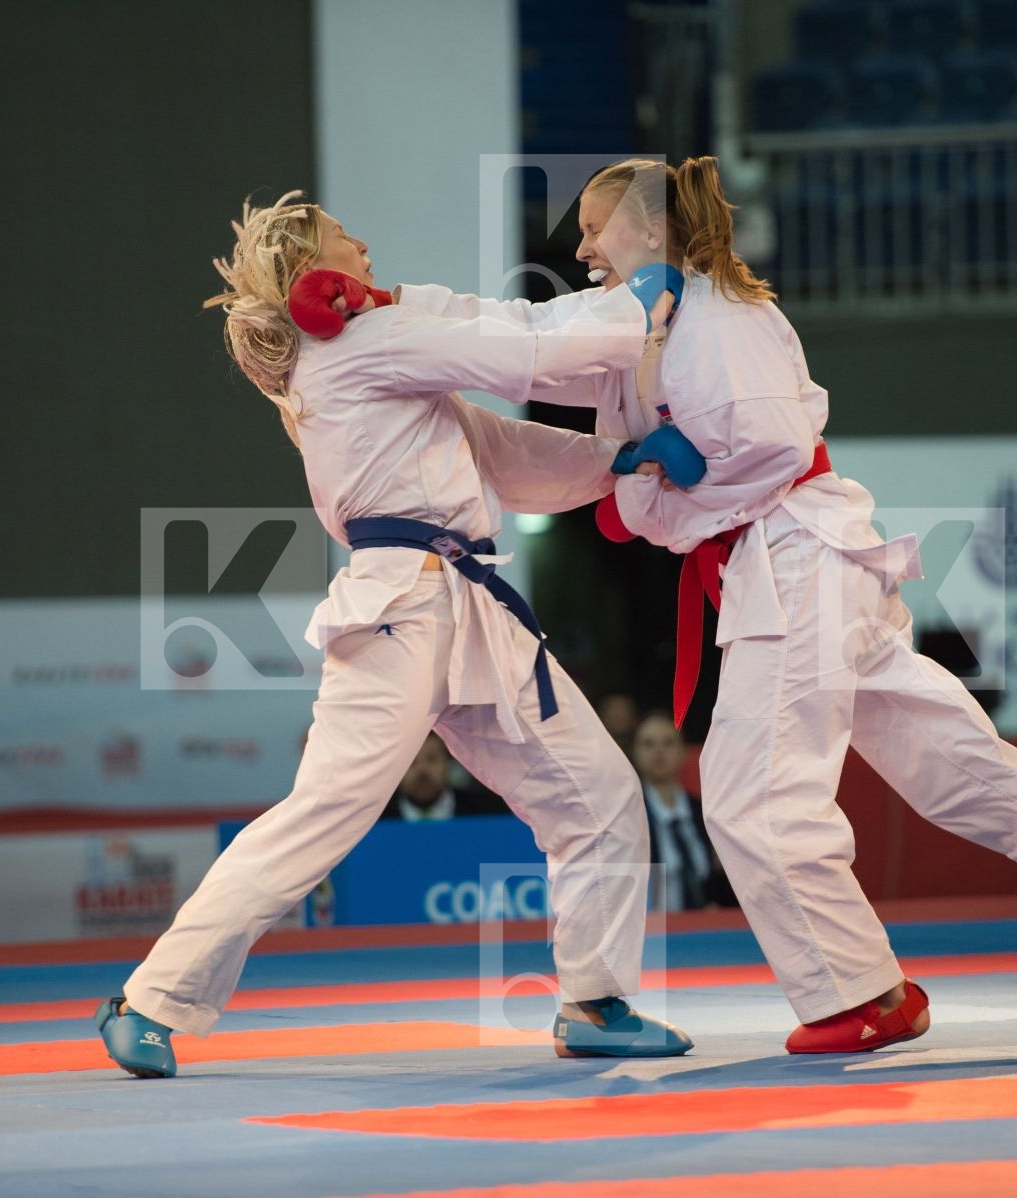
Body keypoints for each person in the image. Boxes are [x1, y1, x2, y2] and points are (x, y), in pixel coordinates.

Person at [409, 156, 1017, 1054]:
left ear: (652, 229)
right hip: (801, 562)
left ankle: (859, 992)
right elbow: (527, 340)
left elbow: (766, 442)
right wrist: (394, 315)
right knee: (952, 764)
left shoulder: (722, 312)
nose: (579, 244)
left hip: (793, 555)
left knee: (749, 790)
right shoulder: (645, 323)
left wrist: (659, 478)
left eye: (596, 225)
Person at [95, 191, 700, 1077]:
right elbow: (520, 347)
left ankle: (596, 999)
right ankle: (150, 997)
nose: (366, 242)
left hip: (469, 608)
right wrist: (635, 309)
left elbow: (492, 448)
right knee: (327, 810)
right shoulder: (359, 341)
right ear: (312, 265)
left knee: (598, 792)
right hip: (397, 606)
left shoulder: (376, 343)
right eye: (345, 236)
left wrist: (615, 461)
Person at [632, 712, 736, 912]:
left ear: (683, 751)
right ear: (635, 753)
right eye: (648, 744)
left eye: (668, 743)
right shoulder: (628, 817)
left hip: (706, 931)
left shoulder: (708, 814)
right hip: (653, 935)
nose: (659, 751)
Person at [379, 732, 508, 821]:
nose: (422, 770)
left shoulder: (489, 812)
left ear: (448, 762)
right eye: (411, 761)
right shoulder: (374, 820)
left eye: (432, 759)